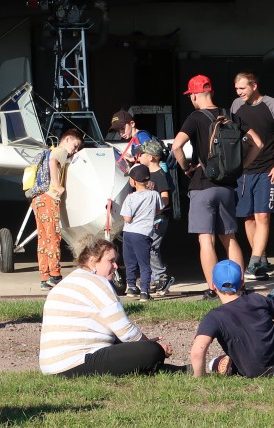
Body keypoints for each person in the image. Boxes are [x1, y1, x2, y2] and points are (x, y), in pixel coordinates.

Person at [170, 74, 263, 299]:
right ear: (211, 92)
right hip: (227, 187)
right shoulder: (230, 115)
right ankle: (239, 286)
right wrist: (241, 166)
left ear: (194, 95)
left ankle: (214, 289)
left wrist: (186, 168)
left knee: (206, 240)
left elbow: (176, 146)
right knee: (229, 238)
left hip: (202, 185)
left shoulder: (195, 118)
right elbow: (258, 143)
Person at [39, 238, 174, 377]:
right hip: (75, 362)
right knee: (151, 351)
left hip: (50, 366)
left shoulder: (67, 282)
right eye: (111, 261)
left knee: (132, 349)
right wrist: (150, 344)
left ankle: (164, 369)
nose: (115, 266)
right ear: (93, 261)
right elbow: (126, 332)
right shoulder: (97, 282)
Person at [230, 71, 274, 281]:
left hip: (267, 170)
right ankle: (261, 259)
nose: (239, 92)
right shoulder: (236, 106)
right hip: (244, 172)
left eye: (242, 88)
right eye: (236, 89)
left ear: (254, 86)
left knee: (263, 216)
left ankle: (254, 261)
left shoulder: (272, 105)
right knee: (248, 217)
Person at [189, 259, 274, 377]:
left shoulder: (214, 317)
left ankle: (224, 363)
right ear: (242, 283)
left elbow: (198, 352)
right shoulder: (257, 299)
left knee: (214, 363)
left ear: (213, 286)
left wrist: (199, 377)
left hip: (252, 371)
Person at [34, 128, 84, 291]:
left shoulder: (50, 151)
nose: (75, 150)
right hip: (50, 197)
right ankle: (55, 275)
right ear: (67, 139)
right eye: (75, 145)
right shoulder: (60, 151)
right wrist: (57, 185)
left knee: (43, 239)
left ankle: (45, 276)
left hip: (38, 198)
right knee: (53, 237)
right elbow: (53, 162)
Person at [137, 139, 175, 296]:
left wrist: (157, 209)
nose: (139, 156)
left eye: (142, 154)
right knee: (148, 246)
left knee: (152, 246)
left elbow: (165, 197)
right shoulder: (146, 173)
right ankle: (154, 277)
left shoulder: (160, 175)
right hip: (149, 218)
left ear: (150, 157)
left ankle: (162, 276)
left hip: (159, 217)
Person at [119, 164, 162, 299]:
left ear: (134, 181)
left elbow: (127, 218)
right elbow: (159, 210)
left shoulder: (130, 197)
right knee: (144, 264)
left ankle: (131, 287)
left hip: (128, 233)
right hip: (143, 234)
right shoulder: (154, 195)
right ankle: (144, 291)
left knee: (130, 262)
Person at [110, 109, 154, 174]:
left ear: (132, 124)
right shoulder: (135, 138)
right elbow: (141, 152)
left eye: (122, 128)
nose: (121, 133)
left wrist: (133, 159)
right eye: (118, 131)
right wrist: (130, 156)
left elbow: (152, 152)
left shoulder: (141, 135)